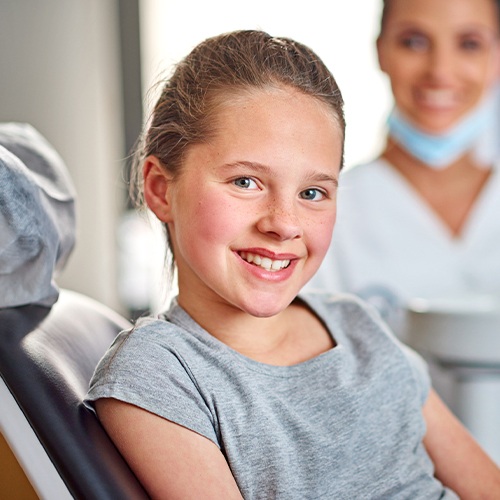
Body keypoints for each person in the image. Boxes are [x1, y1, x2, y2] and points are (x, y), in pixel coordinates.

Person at [84, 30, 500, 498]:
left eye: (312, 193)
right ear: (161, 190)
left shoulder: (356, 323)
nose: (284, 224)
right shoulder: (161, 373)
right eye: (245, 181)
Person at [305, 0, 500, 325]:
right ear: (381, 51)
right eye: (414, 42)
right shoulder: (327, 211)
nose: (440, 71)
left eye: (470, 44)